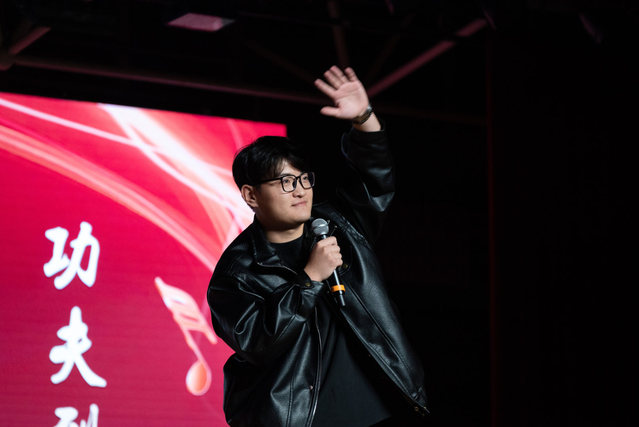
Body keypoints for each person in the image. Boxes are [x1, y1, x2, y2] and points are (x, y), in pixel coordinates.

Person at [207, 66, 429, 426]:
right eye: (285, 181)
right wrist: (309, 279)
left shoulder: (339, 225)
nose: (299, 190)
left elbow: (375, 182)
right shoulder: (236, 273)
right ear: (251, 195)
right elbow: (258, 343)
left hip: (381, 410)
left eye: (304, 179)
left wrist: (364, 119)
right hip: (303, 419)